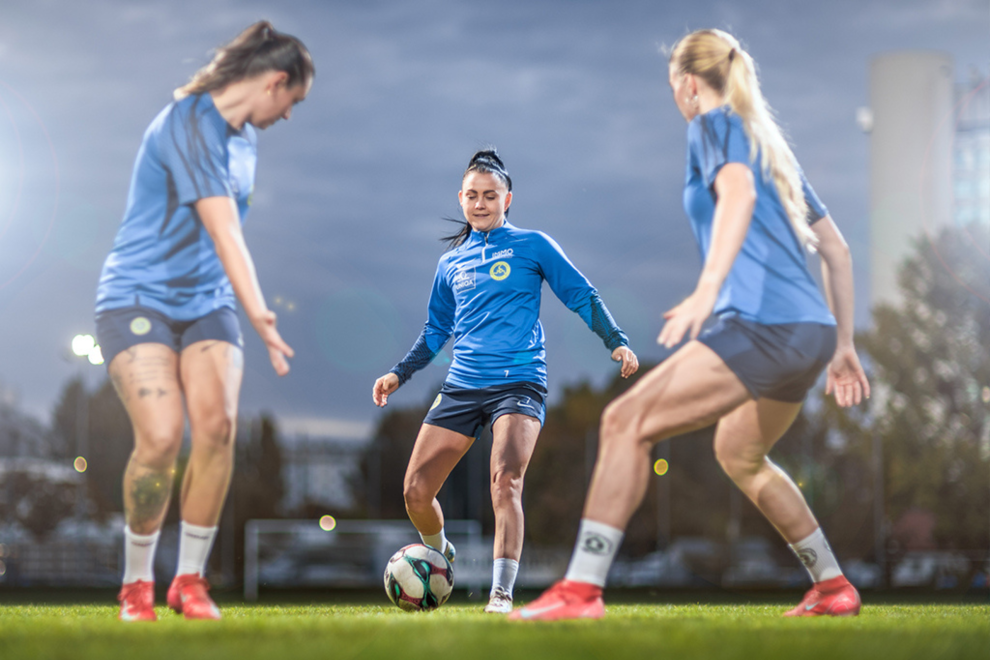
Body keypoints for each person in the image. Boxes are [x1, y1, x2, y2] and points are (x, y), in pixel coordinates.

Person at [512, 29, 870, 621]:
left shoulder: (712, 125)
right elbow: (836, 251)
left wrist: (708, 289)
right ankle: (832, 586)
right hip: (810, 334)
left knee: (625, 420)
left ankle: (580, 590)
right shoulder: (771, 148)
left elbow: (736, 194)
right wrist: (845, 345)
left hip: (764, 325)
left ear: (686, 84)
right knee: (740, 452)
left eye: (673, 87)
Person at [95, 21, 313, 621]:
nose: (288, 115)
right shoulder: (187, 123)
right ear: (274, 82)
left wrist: (237, 303)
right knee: (163, 437)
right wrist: (262, 316)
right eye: (292, 102)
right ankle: (136, 582)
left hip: (206, 302)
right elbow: (223, 229)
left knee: (216, 427)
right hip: (136, 299)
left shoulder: (247, 139)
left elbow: (225, 236)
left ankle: (189, 581)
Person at [373, 149, 639, 613]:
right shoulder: (450, 265)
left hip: (519, 382)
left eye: (490, 195)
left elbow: (581, 293)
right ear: (460, 198)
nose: (480, 203)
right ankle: (442, 552)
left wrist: (615, 340)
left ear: (507, 199)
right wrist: (400, 372)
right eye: (472, 195)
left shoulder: (533, 245)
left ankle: (501, 592)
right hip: (461, 385)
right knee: (415, 490)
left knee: (505, 481)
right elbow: (437, 331)